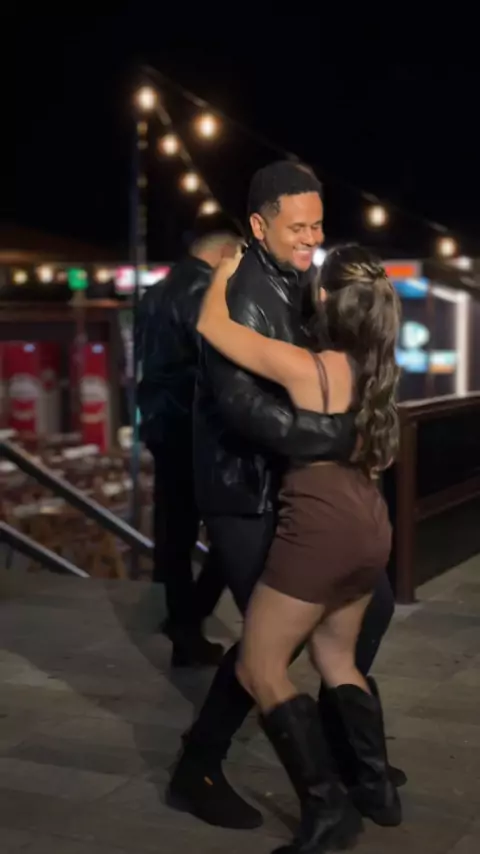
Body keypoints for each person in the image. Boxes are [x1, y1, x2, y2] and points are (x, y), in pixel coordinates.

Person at [168, 161, 403, 830]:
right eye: (298, 227)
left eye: (317, 226)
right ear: (259, 224)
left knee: (362, 615)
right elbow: (243, 409)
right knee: (270, 647)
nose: (311, 238)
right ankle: (200, 767)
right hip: (246, 490)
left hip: (297, 490)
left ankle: (350, 762)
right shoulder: (246, 291)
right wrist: (338, 435)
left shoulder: (298, 280)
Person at [138, 229, 241, 667]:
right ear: (224, 254)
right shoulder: (204, 292)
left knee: (174, 533)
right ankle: (189, 620)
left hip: (161, 425)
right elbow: (218, 361)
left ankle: (183, 623)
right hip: (196, 429)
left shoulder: (154, 293)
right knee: (232, 529)